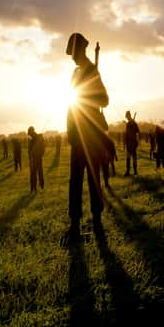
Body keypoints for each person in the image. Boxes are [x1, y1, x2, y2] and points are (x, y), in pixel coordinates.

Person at [65, 33, 109, 242]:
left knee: (93, 180)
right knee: (75, 182)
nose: (72, 57)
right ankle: (74, 226)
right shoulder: (75, 72)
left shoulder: (92, 71)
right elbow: (70, 102)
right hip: (77, 136)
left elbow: (104, 100)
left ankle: (97, 222)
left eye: (73, 53)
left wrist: (88, 95)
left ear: (80, 51)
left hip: (90, 136)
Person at [27, 126, 45, 193]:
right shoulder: (39, 136)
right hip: (39, 157)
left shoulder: (29, 137)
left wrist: (30, 156)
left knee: (33, 173)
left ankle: (33, 188)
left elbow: (29, 148)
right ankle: (41, 185)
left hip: (32, 158)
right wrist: (41, 154)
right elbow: (43, 148)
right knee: (40, 171)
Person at [123, 111, 140, 176]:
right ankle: (128, 172)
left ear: (129, 116)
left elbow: (138, 132)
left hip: (133, 142)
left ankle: (134, 171)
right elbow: (127, 134)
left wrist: (137, 141)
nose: (126, 117)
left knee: (133, 157)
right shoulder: (128, 124)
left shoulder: (134, 123)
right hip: (129, 142)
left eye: (127, 116)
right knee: (128, 157)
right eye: (126, 116)